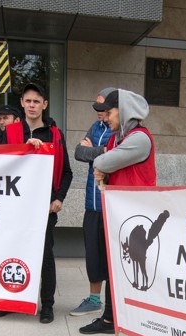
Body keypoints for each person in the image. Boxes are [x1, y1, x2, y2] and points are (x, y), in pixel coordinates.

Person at [78, 89, 156, 336]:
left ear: (123, 112)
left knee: (134, 275)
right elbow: (103, 162)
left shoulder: (139, 139)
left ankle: (139, 335)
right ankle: (110, 319)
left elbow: (102, 160)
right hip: (120, 215)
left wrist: (101, 162)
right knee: (115, 270)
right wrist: (102, 164)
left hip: (137, 219)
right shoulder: (116, 138)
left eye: (109, 112)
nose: (106, 117)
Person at [0, 83, 72, 323]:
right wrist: (24, 149)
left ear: (44, 104)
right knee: (12, 251)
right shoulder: (10, 132)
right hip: (16, 207)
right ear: (22, 104)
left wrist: (59, 198)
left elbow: (67, 172)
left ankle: (47, 305)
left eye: (36, 101)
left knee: (45, 256)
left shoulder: (55, 135)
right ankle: (11, 300)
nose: (32, 105)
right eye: (28, 101)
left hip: (45, 207)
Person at [70, 87, 117, 317]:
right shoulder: (95, 127)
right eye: (96, 107)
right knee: (93, 254)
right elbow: (78, 152)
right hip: (92, 203)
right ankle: (94, 299)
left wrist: (96, 151)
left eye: (103, 107)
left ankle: (114, 305)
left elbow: (113, 155)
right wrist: (100, 151)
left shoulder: (119, 129)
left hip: (111, 205)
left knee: (111, 257)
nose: (99, 111)